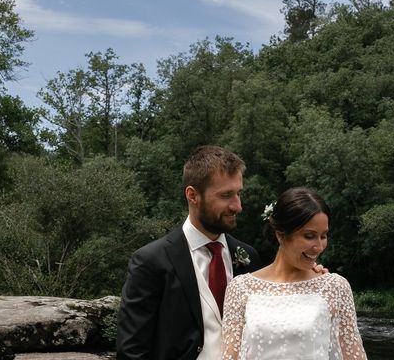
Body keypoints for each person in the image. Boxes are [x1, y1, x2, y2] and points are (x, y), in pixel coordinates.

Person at [117, 145, 262, 360]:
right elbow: (131, 352)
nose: (237, 206)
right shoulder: (150, 262)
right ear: (193, 195)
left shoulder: (249, 257)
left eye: (238, 193)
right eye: (226, 195)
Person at [222, 187, 368, 360]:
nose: (319, 247)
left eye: (323, 236)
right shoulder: (240, 288)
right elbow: (230, 356)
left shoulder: (336, 287)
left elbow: (353, 355)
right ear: (281, 235)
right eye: (309, 236)